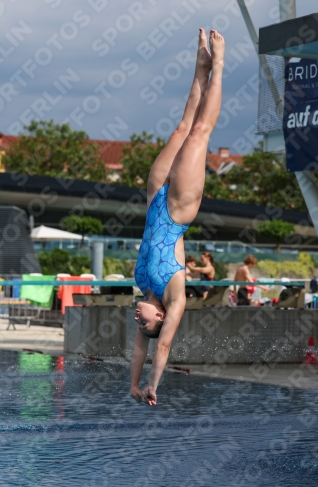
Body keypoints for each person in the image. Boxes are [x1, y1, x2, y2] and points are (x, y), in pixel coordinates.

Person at [131, 28, 225, 406]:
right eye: (144, 323)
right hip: (177, 210)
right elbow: (161, 344)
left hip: (154, 200)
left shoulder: (144, 285)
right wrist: (154, 385)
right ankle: (219, 65)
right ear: (160, 315)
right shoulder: (174, 296)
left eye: (141, 324)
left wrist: (132, 386)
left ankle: (199, 67)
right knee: (200, 133)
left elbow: (139, 349)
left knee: (181, 127)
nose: (138, 321)